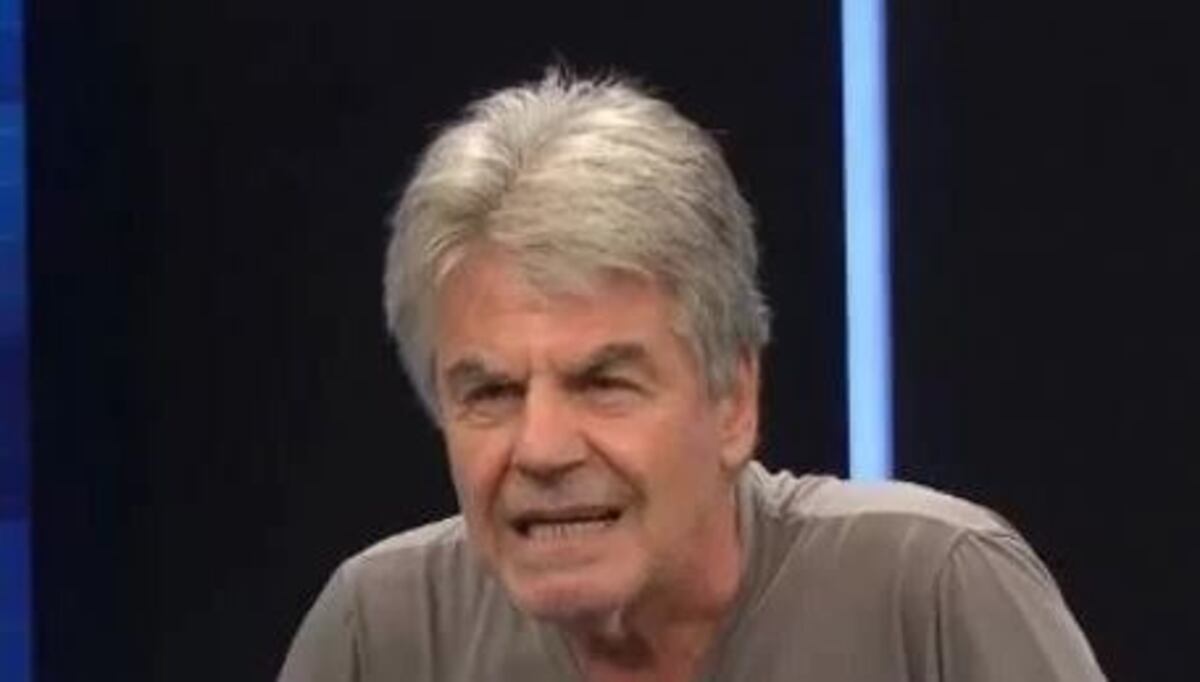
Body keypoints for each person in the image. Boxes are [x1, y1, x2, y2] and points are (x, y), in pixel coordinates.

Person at [279, 69, 1106, 682]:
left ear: (734, 402)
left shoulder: (932, 594)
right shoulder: (379, 635)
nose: (541, 448)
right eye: (491, 392)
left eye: (604, 382)